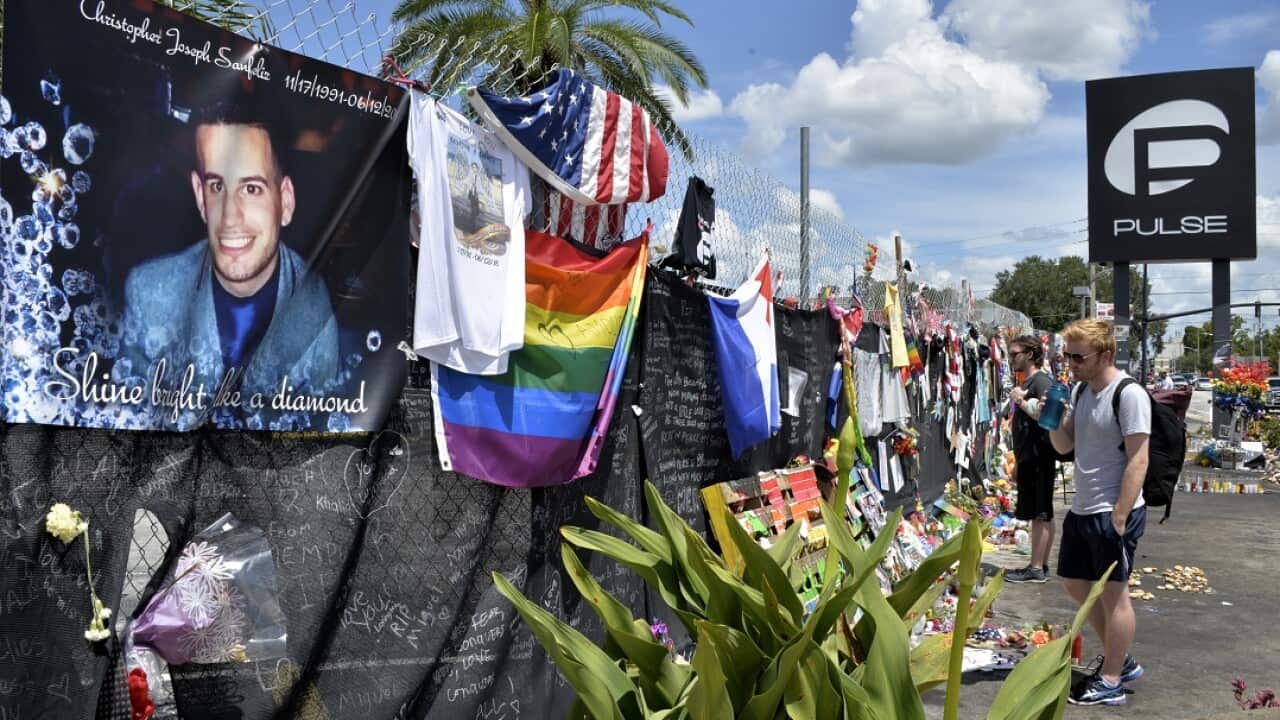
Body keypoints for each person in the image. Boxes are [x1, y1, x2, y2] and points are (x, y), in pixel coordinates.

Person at [119, 102, 339, 425]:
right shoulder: (149, 295)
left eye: (251, 188)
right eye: (216, 186)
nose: (230, 216)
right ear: (199, 197)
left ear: (286, 202)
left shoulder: (315, 316)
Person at [1048, 319, 1151, 706]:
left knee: (1113, 595)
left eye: (1078, 356)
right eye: (1067, 355)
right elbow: (1063, 446)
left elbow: (1139, 457)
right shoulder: (1080, 390)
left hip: (1112, 509)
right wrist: (1052, 417)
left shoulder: (1128, 394)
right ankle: (1118, 657)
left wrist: (1121, 513)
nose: (1070, 363)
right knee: (1075, 583)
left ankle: (1112, 678)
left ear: (1104, 355)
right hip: (1082, 507)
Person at [1005, 335, 1056, 583]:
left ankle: (1036, 568)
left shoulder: (1041, 381)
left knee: (1040, 514)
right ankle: (1040, 565)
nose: (1011, 358)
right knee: (1042, 513)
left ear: (1031, 355)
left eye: (1015, 353)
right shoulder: (1032, 381)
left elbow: (1048, 414)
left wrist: (1020, 401)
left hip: (1039, 457)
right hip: (1031, 457)